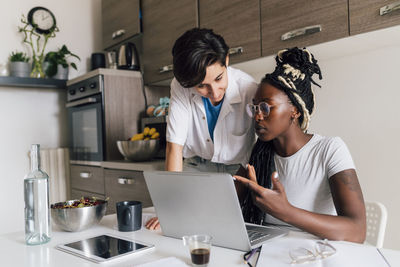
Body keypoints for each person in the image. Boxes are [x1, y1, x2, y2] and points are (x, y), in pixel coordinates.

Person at [234, 47, 366, 242]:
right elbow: (226, 209)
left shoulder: (329, 149)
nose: (257, 115)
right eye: (254, 107)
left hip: (314, 254)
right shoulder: (256, 153)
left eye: (265, 107)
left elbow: (357, 231)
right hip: (266, 251)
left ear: (294, 110)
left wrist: (286, 212)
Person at [145, 28, 258, 230]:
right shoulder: (181, 86)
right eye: (201, 86)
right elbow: (175, 147)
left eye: (218, 79)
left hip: (236, 170)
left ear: (227, 61)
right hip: (196, 165)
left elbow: (265, 141)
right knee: (183, 223)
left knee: (227, 226)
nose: (214, 92)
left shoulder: (249, 88)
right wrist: (169, 207)